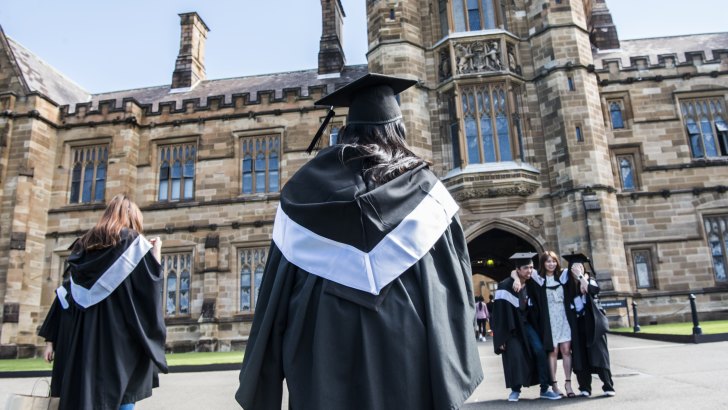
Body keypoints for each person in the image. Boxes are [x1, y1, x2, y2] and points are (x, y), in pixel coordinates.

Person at [235, 73, 483, 410]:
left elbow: (274, 299)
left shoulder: (303, 194)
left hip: (321, 349)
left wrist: (263, 385)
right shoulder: (428, 193)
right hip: (407, 350)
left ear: (347, 130)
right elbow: (454, 292)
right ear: (398, 130)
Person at [38, 194, 168, 410]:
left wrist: (52, 340)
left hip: (85, 340)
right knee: (124, 394)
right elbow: (148, 296)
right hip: (120, 339)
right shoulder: (135, 244)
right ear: (133, 219)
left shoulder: (83, 246)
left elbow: (67, 294)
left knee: (88, 394)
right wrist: (155, 257)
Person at [492, 252, 561, 402]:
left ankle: (545, 388)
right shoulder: (505, 286)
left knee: (540, 350)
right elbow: (498, 315)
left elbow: (542, 277)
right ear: (518, 270)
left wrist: (517, 277)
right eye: (526, 268)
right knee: (515, 356)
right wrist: (500, 338)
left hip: (527, 325)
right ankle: (515, 390)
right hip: (511, 328)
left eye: (531, 267)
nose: (529, 271)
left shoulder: (532, 282)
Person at [513, 251, 575, 397]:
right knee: (553, 351)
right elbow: (517, 269)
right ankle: (554, 385)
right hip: (549, 320)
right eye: (548, 261)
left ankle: (568, 383)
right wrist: (516, 279)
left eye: (553, 261)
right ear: (543, 264)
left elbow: (578, 269)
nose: (551, 264)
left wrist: (583, 276)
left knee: (566, 350)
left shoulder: (563, 275)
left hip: (563, 317)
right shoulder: (538, 278)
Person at [562, 253, 615, 397]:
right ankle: (585, 387)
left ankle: (608, 386)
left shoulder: (589, 280)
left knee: (599, 354)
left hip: (593, 323)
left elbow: (593, 291)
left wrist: (581, 277)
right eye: (574, 268)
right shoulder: (566, 286)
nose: (577, 269)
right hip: (577, 324)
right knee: (580, 355)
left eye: (580, 267)